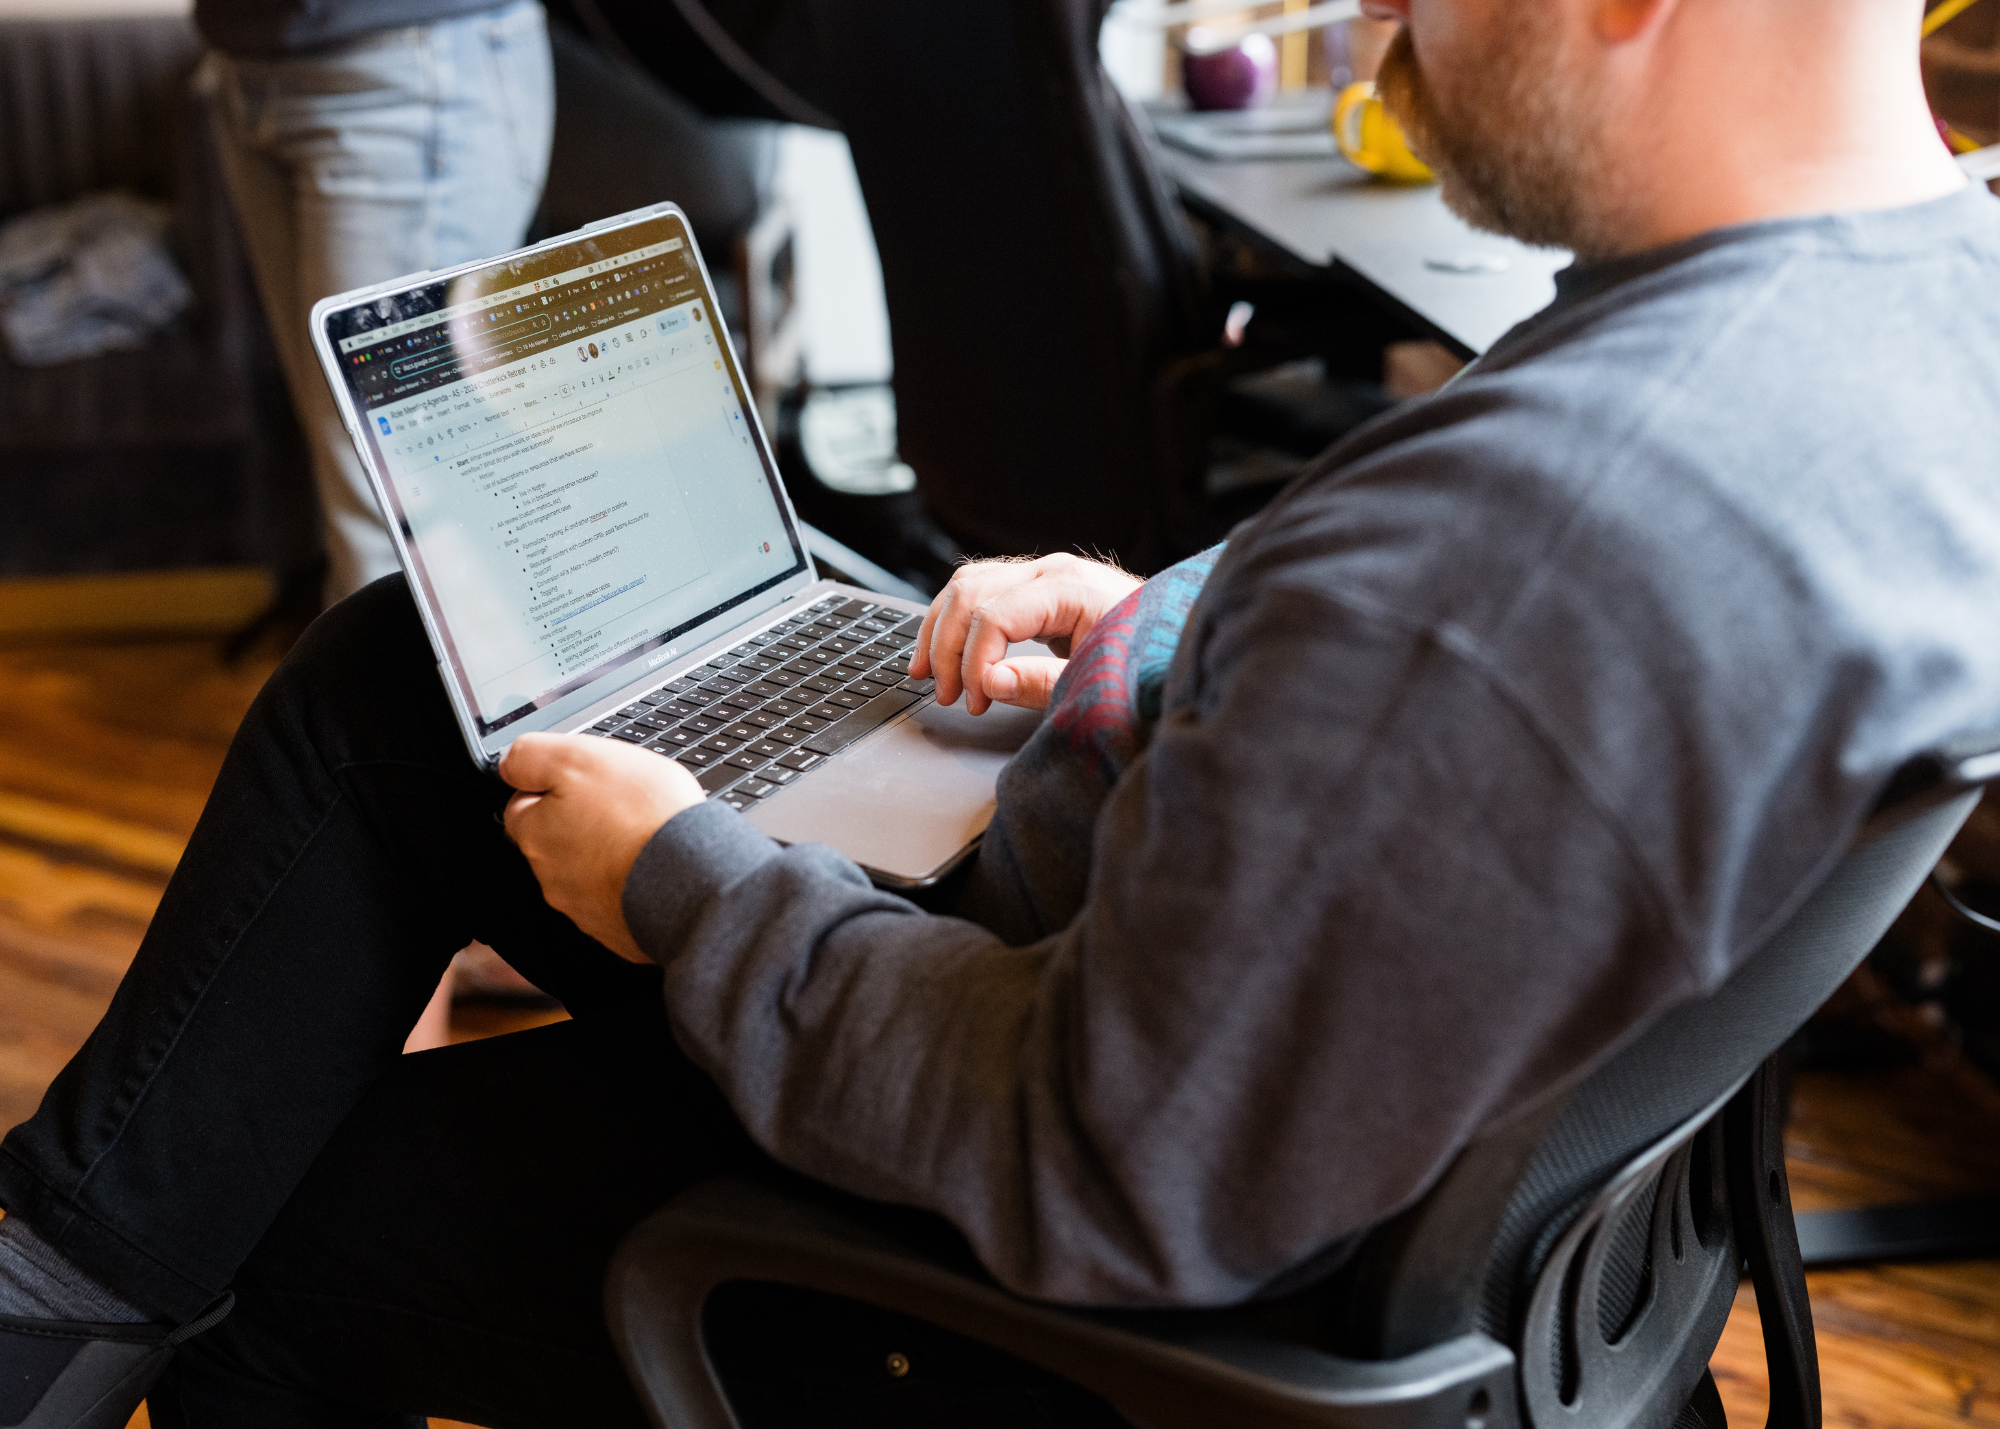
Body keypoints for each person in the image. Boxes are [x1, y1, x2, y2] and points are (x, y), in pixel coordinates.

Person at [5, 0, 2000, 1422]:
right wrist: (1165, 629)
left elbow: (1095, 1159)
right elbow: (1426, 737)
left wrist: (684, 885)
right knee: (403, 684)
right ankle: (47, 1282)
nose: (1374, 16)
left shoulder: (1543, 531)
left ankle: (58, 1301)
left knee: (258, 1223)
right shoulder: (1924, 299)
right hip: (1236, 1046)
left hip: (1043, 1267)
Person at [197, 0, 556, 605]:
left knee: (392, 508)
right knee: (350, 470)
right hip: (249, 60)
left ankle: (398, 702)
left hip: (405, 75)